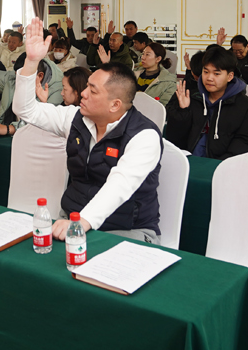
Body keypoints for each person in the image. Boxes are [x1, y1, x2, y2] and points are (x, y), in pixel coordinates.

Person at [13, 17, 164, 243]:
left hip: (125, 230)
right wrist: (32, 62)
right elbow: (25, 110)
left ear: (115, 105)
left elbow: (120, 185)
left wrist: (82, 223)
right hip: (73, 219)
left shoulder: (144, 136)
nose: (82, 94)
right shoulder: (76, 119)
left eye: (92, 91)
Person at [164, 46, 248, 160]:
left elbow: (247, 143)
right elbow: (173, 138)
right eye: (206, 72)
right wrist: (182, 112)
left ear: (230, 76)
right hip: (189, 160)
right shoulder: (191, 97)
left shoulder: (245, 107)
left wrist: (219, 164)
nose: (209, 78)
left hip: (223, 164)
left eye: (216, 74)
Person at [0, 33, 62, 135]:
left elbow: (42, 120)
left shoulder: (57, 89)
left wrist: (11, 128)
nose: (19, 81)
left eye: (23, 79)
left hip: (33, 136)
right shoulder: (15, 76)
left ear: (40, 76)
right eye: (18, 77)